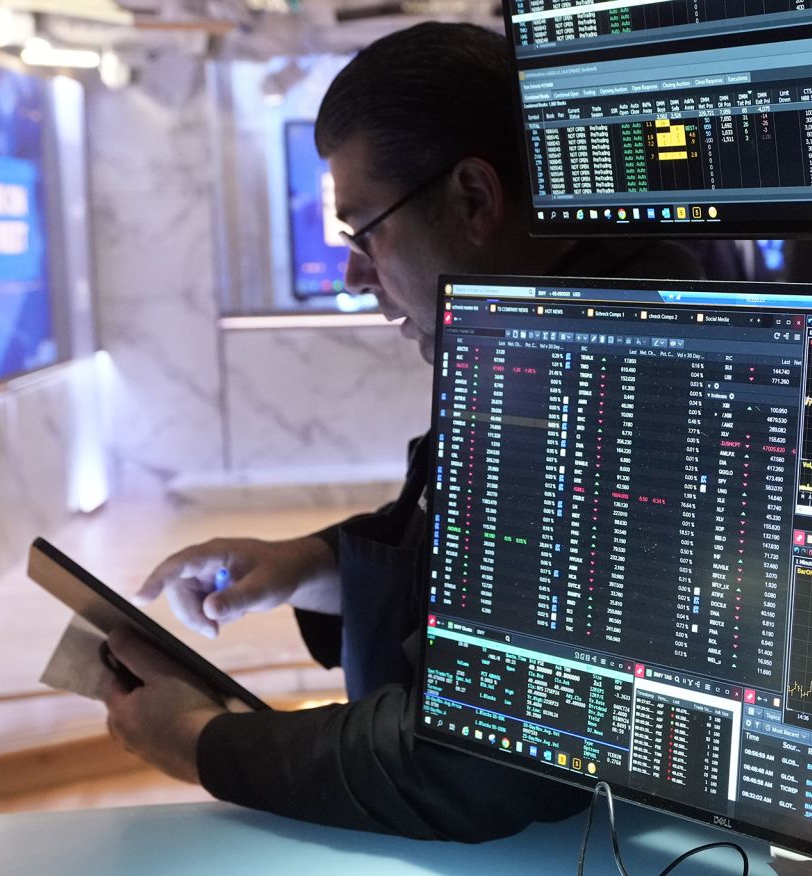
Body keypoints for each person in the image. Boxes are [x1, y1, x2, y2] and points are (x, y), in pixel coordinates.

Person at [100, 21, 702, 840]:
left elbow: (469, 757)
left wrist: (203, 742)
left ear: (474, 199)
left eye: (366, 231)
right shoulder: (529, 332)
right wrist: (312, 567)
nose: (354, 276)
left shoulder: (605, 370)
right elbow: (471, 553)